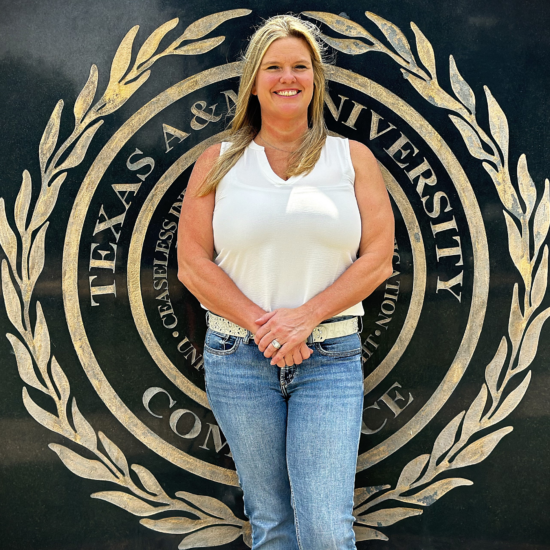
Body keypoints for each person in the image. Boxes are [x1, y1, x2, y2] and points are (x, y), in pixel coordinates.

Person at [177, 14, 394, 550]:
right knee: (272, 524)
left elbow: (377, 260)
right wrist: (266, 327)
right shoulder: (218, 160)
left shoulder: (353, 159)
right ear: (254, 80)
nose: (287, 78)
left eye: (300, 66)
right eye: (273, 67)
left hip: (329, 359)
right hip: (238, 358)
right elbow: (192, 263)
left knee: (324, 526)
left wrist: (305, 318)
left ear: (316, 78)